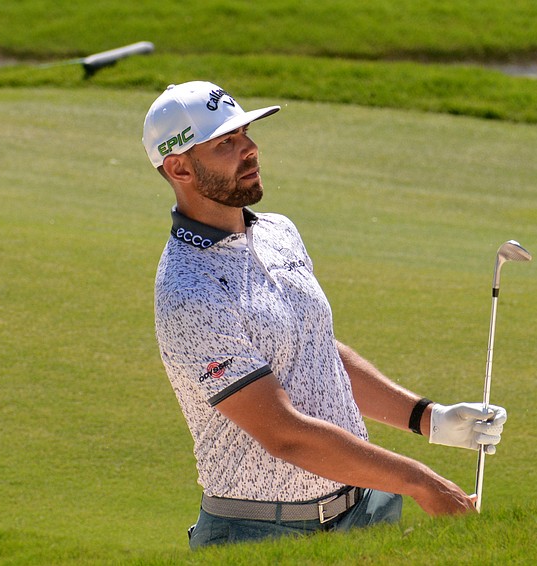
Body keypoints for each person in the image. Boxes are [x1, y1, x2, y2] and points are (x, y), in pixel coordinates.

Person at [142, 81, 508, 548]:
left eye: (247, 133)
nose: (251, 149)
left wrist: (427, 418)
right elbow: (285, 435)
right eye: (226, 143)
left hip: (365, 509)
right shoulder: (188, 290)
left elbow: (313, 347)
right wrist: (423, 482)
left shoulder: (278, 231)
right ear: (179, 167)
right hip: (262, 533)